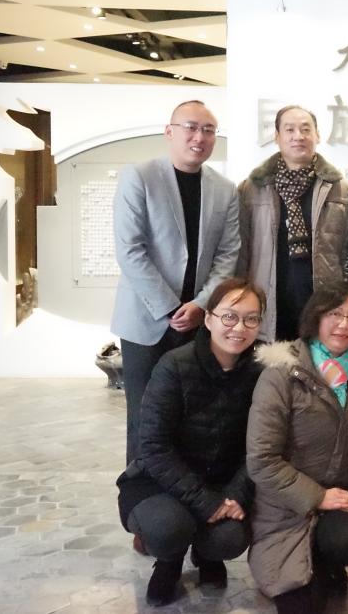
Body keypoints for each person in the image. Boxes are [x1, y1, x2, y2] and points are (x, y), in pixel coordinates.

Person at [116, 277, 265, 607]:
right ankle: (169, 562)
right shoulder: (174, 365)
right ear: (208, 318)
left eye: (251, 319)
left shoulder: (261, 373)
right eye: (229, 316)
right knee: (168, 529)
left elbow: (262, 446)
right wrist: (205, 502)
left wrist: (236, 494)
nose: (239, 327)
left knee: (229, 537)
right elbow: (153, 446)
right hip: (158, 482)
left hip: (221, 482)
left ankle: (208, 554)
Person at [112, 99, 240, 465]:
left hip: (199, 322)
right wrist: (170, 307)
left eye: (208, 130)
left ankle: (185, 490)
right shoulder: (139, 176)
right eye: (191, 127)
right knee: (145, 416)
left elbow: (228, 254)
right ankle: (142, 492)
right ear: (170, 132)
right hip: (146, 321)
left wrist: (201, 304)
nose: (199, 137)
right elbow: (130, 251)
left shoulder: (225, 189)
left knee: (191, 416)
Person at [245, 280, 348, 614]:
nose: (344, 324)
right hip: (284, 508)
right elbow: (261, 460)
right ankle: (309, 564)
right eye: (334, 314)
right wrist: (317, 496)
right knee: (301, 606)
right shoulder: (281, 374)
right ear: (315, 317)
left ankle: (324, 558)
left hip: (339, 498)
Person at [237, 105, 348, 342]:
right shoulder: (251, 189)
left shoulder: (341, 189)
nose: (298, 136)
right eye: (289, 130)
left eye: (305, 129)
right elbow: (241, 252)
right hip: (267, 300)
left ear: (317, 135)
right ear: (277, 136)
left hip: (322, 302)